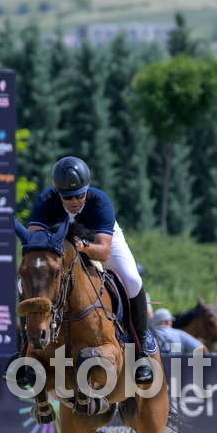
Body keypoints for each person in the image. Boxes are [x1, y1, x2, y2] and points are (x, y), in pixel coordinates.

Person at [27, 156, 154, 384]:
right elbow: (35, 239)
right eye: (68, 197)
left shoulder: (100, 202)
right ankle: (24, 350)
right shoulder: (47, 200)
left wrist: (84, 247)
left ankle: (141, 349)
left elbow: (104, 251)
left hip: (98, 242)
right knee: (26, 283)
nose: (74, 201)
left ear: (87, 189)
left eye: (79, 195)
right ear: (58, 193)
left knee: (132, 280)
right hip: (62, 247)